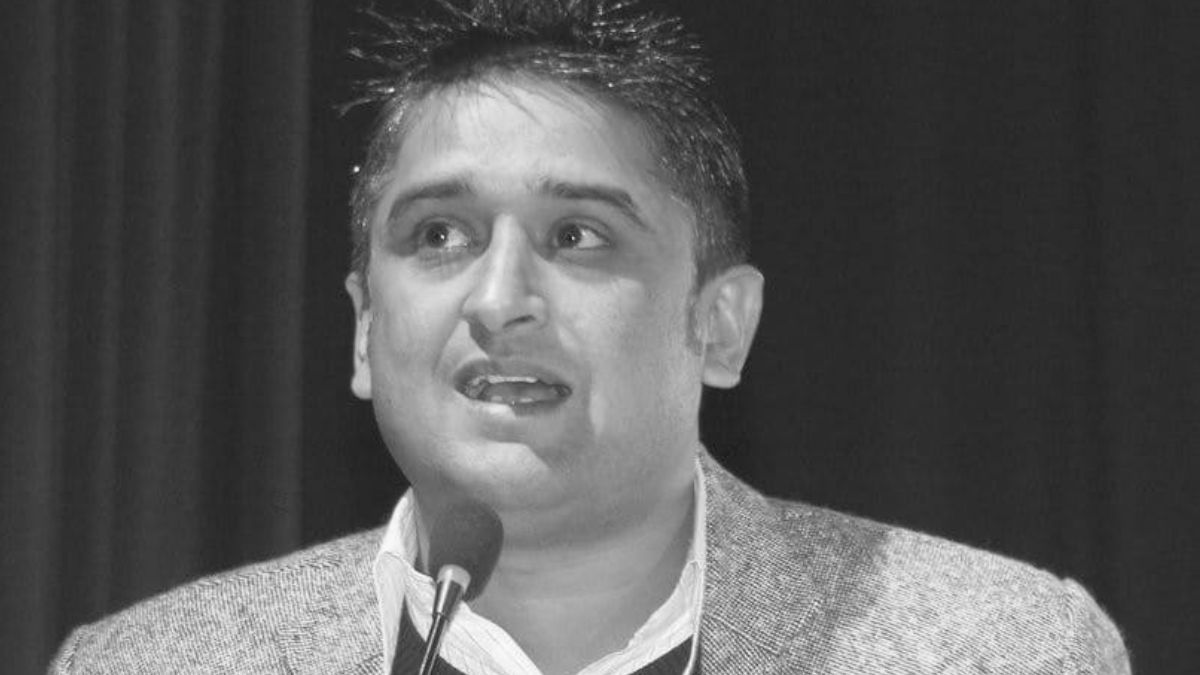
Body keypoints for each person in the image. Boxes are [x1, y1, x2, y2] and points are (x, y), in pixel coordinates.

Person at [50, 0, 1130, 673]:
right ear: (366, 331)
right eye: (439, 234)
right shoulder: (144, 666)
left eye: (577, 236)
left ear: (719, 325)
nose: (500, 298)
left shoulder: (998, 652)